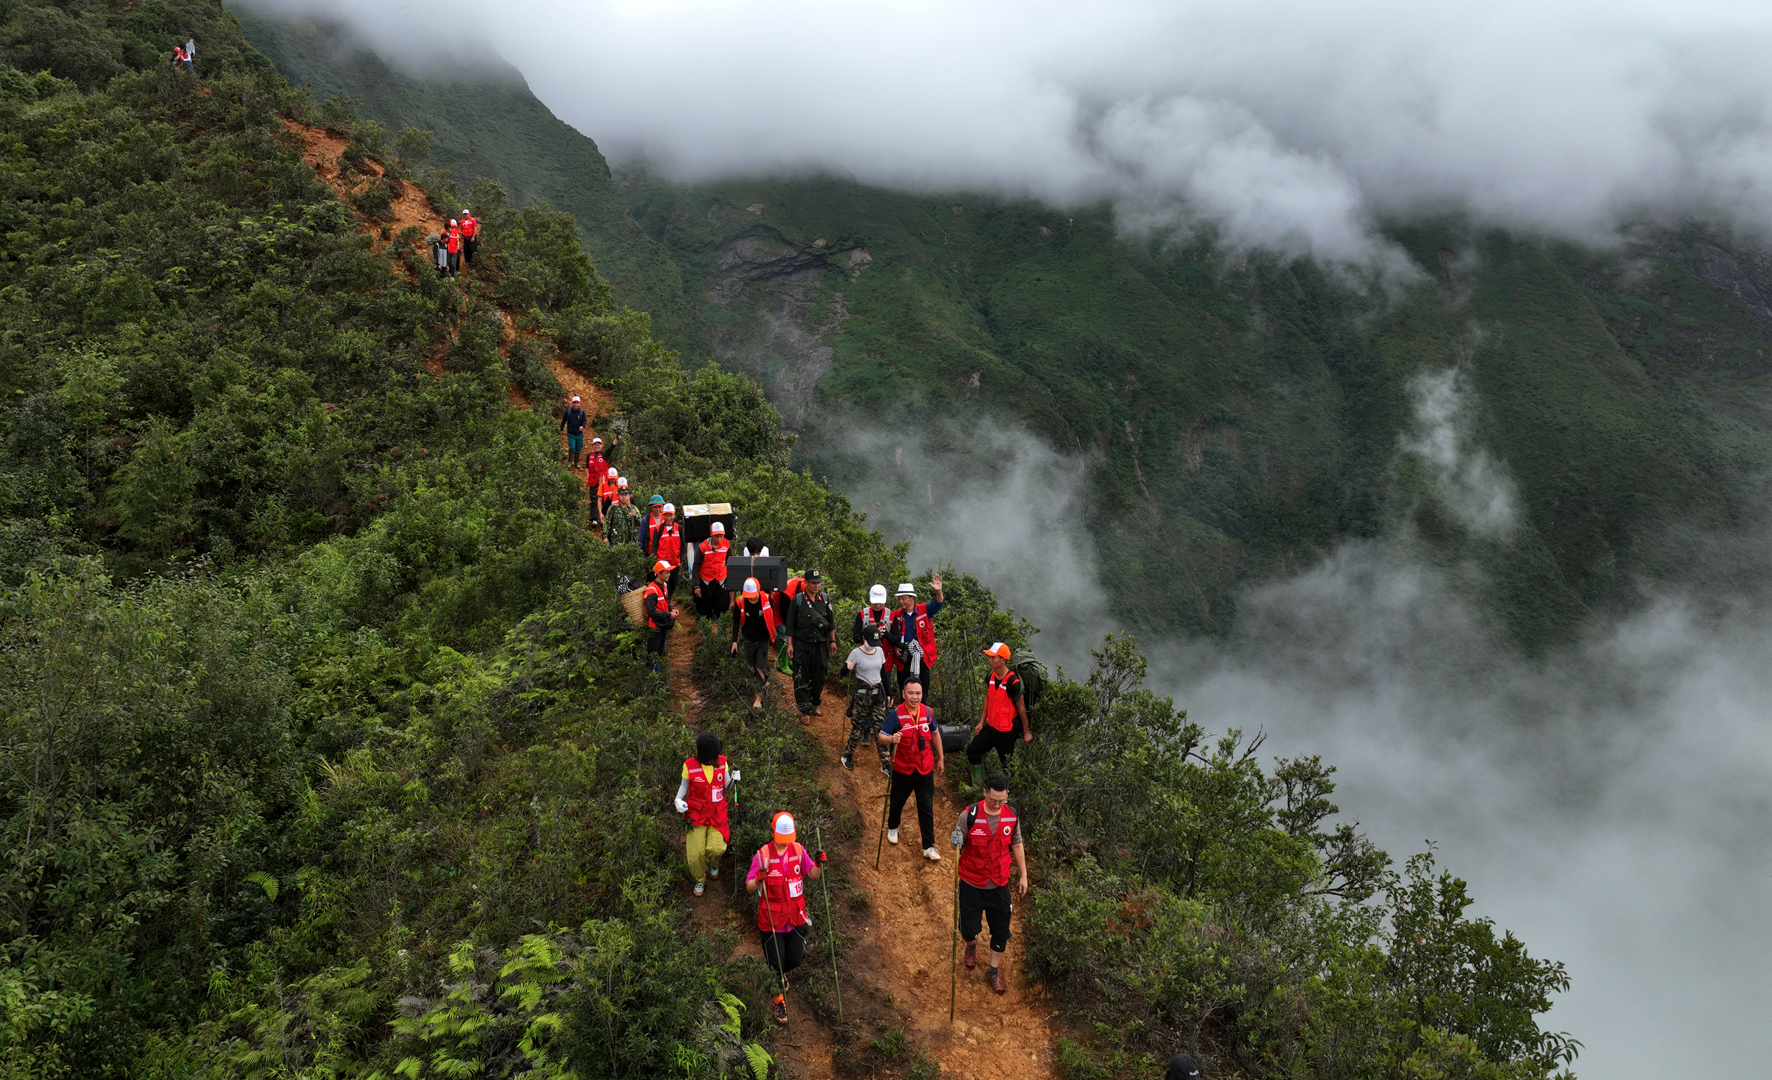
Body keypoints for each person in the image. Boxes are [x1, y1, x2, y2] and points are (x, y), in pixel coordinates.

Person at [950, 772, 1028, 995]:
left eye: (1001, 801)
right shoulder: (970, 815)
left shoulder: (1011, 816)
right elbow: (958, 839)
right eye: (993, 800)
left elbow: (1017, 843)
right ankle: (971, 945)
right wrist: (955, 839)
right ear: (985, 793)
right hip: (971, 882)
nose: (997, 805)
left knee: (1001, 931)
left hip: (999, 883)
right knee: (968, 928)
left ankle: (993, 970)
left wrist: (1023, 875)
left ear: (1007, 796)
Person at [745, 812, 826, 1025]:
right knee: (776, 963)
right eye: (781, 840)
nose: (784, 845)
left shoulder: (798, 850)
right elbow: (749, 887)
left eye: (787, 840)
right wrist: (758, 879)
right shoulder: (762, 856)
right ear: (772, 834)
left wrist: (819, 864)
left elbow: (813, 875)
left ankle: (781, 975)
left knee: (795, 958)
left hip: (795, 918)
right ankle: (779, 999)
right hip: (771, 922)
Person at [878, 680, 944, 859]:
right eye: (911, 693)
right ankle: (892, 827)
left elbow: (936, 734)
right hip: (902, 769)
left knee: (926, 807)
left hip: (924, 769)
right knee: (897, 802)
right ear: (903, 693)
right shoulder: (895, 715)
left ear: (922, 694)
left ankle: (929, 846)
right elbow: (881, 736)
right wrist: (892, 739)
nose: (915, 697)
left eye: (918, 693)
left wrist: (941, 759)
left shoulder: (929, 713)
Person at [674, 732, 733, 896]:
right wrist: (678, 799)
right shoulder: (689, 765)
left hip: (717, 812)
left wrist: (734, 780)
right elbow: (684, 786)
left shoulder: (722, 762)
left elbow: (727, 785)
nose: (718, 756)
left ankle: (713, 864)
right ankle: (700, 879)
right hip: (696, 814)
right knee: (695, 854)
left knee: (717, 848)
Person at [966, 642, 1032, 787]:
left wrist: (1026, 731)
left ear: (1003, 659)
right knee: (972, 752)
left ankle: (1006, 797)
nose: (990, 660)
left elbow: (1021, 708)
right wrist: (981, 722)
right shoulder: (991, 675)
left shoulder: (1013, 681)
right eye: (989, 657)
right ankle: (979, 790)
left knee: (1007, 767)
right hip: (991, 727)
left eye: (993, 657)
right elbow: (988, 698)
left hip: (1007, 732)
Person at [784, 568, 836, 717]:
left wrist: (832, 641)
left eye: (818, 583)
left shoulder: (824, 600)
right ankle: (804, 710)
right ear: (805, 583)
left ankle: (815, 704)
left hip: (820, 645)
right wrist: (789, 644)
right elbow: (790, 625)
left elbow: (830, 623)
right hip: (802, 645)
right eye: (813, 583)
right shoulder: (798, 600)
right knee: (801, 677)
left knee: (820, 676)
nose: (817, 585)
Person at [842, 624, 892, 774]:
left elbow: (884, 673)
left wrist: (888, 693)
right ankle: (847, 755)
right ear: (863, 639)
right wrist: (848, 668)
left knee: (880, 729)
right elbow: (842, 673)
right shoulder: (855, 653)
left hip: (878, 694)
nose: (873, 646)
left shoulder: (880, 651)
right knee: (858, 726)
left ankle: (885, 762)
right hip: (862, 695)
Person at [889, 575, 945, 696]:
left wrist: (938, 591)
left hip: (922, 657)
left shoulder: (924, 610)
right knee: (904, 690)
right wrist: (895, 647)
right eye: (899, 599)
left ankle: (922, 713)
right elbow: (892, 635)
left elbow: (938, 603)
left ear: (912, 598)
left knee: (921, 691)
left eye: (903, 599)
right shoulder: (896, 615)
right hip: (903, 658)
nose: (900, 601)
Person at [729, 576, 777, 710]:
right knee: (753, 667)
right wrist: (734, 642)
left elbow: (772, 618)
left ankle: (758, 699)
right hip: (748, 639)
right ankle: (764, 681)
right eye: (749, 596)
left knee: (760, 667)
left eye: (753, 596)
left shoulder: (767, 599)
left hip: (763, 639)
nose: (751, 599)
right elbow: (736, 622)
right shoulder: (740, 602)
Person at [852, 584, 902, 705]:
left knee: (884, 691)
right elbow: (855, 638)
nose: (878, 605)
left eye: (881, 603)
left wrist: (886, 635)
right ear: (869, 598)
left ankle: (881, 719)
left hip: (885, 660)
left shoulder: (891, 616)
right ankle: (865, 721)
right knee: (865, 691)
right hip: (866, 661)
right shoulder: (863, 615)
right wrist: (866, 633)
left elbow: (897, 639)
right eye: (875, 602)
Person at [643, 559, 676, 673]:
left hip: (661, 625)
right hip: (654, 628)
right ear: (659, 573)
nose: (669, 574)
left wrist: (671, 609)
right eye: (666, 572)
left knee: (659, 652)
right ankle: (652, 680)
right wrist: (668, 614)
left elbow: (665, 602)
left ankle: (657, 679)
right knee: (653, 654)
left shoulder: (664, 586)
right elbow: (651, 612)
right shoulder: (652, 590)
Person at [694, 521, 733, 620]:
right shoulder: (702, 547)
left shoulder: (726, 544)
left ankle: (721, 633)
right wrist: (696, 586)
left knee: (722, 608)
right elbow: (696, 566)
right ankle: (706, 634)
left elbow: (730, 561)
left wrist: (730, 580)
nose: (719, 539)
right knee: (705, 609)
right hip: (706, 581)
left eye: (721, 536)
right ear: (711, 534)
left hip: (721, 580)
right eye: (716, 536)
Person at [650, 504, 683, 597]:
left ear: (674, 515)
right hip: (663, 564)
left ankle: (670, 598)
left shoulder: (679, 528)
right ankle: (665, 602)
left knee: (673, 584)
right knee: (663, 585)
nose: (668, 518)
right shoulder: (658, 529)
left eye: (670, 515)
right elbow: (654, 546)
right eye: (666, 515)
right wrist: (654, 562)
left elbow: (683, 546)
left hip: (675, 563)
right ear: (662, 515)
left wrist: (682, 560)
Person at [602, 479, 638, 547]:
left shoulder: (633, 508)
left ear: (629, 497)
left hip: (630, 542)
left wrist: (635, 515)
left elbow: (640, 522)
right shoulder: (612, 508)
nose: (623, 497)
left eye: (625, 495)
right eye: (622, 495)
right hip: (615, 541)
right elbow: (607, 523)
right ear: (618, 496)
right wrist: (605, 536)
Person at [560, 395, 588, 467]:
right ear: (572, 403)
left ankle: (576, 463)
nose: (576, 404)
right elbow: (563, 421)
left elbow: (584, 421)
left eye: (577, 403)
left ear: (579, 403)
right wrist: (561, 429)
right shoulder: (568, 412)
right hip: (571, 434)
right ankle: (569, 462)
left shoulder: (582, 412)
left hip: (579, 434)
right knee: (572, 447)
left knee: (579, 448)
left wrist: (583, 426)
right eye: (575, 403)